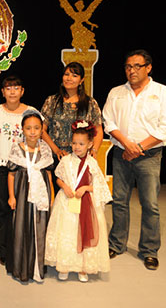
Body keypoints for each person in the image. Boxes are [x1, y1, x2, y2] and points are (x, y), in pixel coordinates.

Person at [103, 49, 166, 271]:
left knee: (150, 204)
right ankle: (116, 244)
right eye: (128, 66)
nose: (132, 71)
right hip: (121, 154)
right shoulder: (116, 92)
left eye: (137, 66)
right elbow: (109, 122)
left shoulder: (163, 93)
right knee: (119, 202)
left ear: (148, 68)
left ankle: (149, 250)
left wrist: (138, 148)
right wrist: (127, 145)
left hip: (150, 156)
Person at [45, 120, 112, 282]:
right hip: (66, 203)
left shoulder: (92, 163)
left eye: (81, 144)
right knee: (66, 233)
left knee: (83, 232)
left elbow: (99, 185)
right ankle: (65, 265)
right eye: (74, 143)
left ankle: (83, 267)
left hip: (85, 205)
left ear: (90, 144)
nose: (77, 147)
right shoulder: (66, 160)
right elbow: (58, 178)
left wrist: (86, 189)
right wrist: (64, 186)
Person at [0, 75, 40, 265]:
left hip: (24, 167)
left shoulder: (32, 112)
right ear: (3, 92)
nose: (12, 91)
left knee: (24, 206)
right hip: (0, 165)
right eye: (8, 88)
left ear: (22, 91)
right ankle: (5, 249)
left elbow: (39, 136)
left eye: (16, 87)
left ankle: (24, 245)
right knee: (4, 209)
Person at [5, 110, 54, 282]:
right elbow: (11, 175)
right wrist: (12, 196)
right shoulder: (17, 149)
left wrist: (51, 196)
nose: (32, 132)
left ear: (42, 129)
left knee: (41, 227)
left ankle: (38, 266)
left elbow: (48, 174)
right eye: (28, 128)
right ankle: (22, 267)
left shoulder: (45, 149)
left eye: (36, 128)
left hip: (41, 194)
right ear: (22, 130)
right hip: (22, 194)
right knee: (21, 227)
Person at [40, 62, 103, 193]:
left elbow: (98, 130)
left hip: (81, 157)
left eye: (74, 75)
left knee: (79, 196)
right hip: (57, 158)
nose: (69, 78)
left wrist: (94, 150)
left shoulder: (91, 103)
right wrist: (56, 150)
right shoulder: (52, 101)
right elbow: (42, 130)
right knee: (60, 195)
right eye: (66, 74)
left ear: (81, 80)